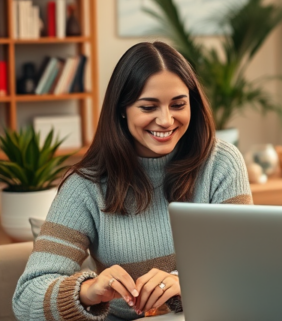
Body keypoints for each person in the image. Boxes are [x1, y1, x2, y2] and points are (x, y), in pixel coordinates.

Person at [13, 41, 253, 321]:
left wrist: (186, 283)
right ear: (122, 109)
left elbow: (247, 269)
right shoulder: (85, 185)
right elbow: (26, 299)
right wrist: (88, 291)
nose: (166, 120)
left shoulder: (221, 163)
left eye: (178, 104)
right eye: (149, 107)